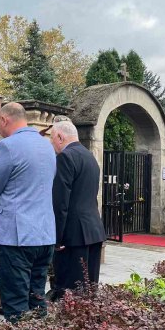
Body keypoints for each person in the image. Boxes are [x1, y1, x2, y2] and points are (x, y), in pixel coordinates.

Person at [0, 102, 56, 322]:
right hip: (44, 235)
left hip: (16, 238)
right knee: (37, 299)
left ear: (4, 120)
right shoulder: (47, 146)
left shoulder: (7, 147)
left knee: (16, 306)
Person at [48, 120, 106, 301]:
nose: (51, 143)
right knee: (89, 289)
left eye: (51, 138)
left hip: (73, 236)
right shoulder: (90, 157)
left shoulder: (65, 157)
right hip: (93, 231)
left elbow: (60, 203)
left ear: (60, 137)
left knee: (69, 292)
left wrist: (57, 238)